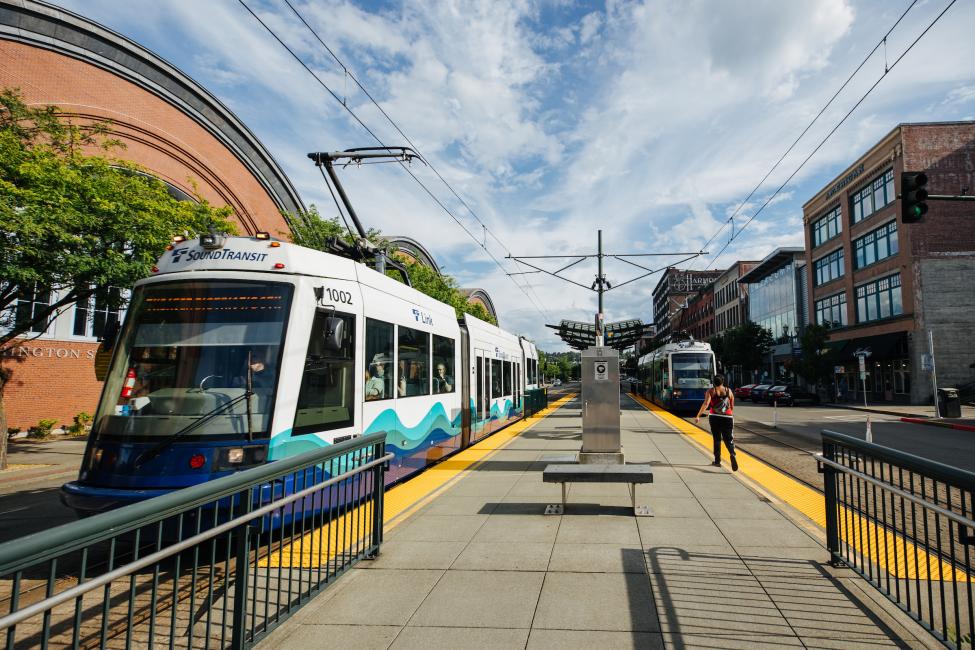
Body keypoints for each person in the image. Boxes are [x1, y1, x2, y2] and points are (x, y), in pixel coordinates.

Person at [694, 375, 738, 471]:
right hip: (727, 417)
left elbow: (706, 404)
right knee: (728, 439)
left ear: (714, 382)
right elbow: (732, 405)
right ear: (723, 381)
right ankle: (732, 453)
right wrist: (729, 415)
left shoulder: (711, 391)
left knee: (717, 439)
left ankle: (717, 461)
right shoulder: (729, 391)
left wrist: (698, 416)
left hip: (714, 417)